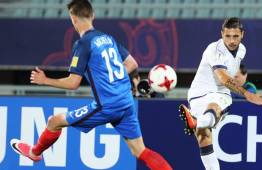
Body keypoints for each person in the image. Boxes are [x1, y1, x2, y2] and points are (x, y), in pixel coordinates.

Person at [10, 1, 172, 170]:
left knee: (54, 121)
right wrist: (113, 80)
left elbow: (73, 83)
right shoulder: (108, 38)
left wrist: (45, 80)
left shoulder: (83, 44)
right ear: (92, 15)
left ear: (73, 18)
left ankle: (35, 153)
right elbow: (132, 63)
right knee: (140, 151)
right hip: (126, 102)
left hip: (107, 106)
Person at [179, 17, 262, 170]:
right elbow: (224, 78)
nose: (231, 41)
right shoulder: (214, 49)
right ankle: (198, 121)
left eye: (235, 36)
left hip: (206, 94)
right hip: (204, 92)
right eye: (227, 36)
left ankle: (196, 121)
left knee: (204, 137)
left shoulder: (242, 50)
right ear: (221, 34)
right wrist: (247, 94)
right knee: (213, 107)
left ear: (242, 35)